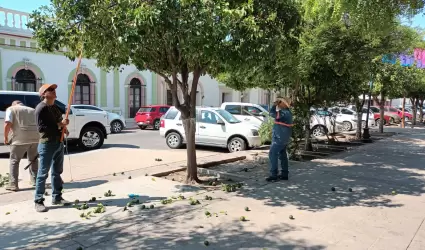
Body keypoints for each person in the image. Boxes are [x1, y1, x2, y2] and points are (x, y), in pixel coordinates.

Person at [34, 84, 70, 212]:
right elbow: (42, 128)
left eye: (54, 89)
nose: (54, 91)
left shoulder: (55, 107)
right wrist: (60, 125)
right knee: (43, 173)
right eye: (50, 90)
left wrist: (65, 129)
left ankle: (57, 197)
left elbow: (60, 122)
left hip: (58, 143)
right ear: (43, 94)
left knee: (57, 172)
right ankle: (38, 201)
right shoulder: (41, 108)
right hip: (47, 144)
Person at [3, 100, 39, 191]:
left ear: (14, 104)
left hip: (20, 138)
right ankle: (35, 181)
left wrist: (6, 137)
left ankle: (13, 184)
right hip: (36, 137)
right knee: (33, 160)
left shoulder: (11, 109)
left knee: (14, 160)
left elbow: (8, 123)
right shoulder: (32, 110)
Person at [266, 97, 293, 182]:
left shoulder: (284, 113)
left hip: (280, 138)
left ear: (285, 104)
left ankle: (274, 174)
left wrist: (274, 105)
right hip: (282, 137)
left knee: (272, 153)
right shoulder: (286, 112)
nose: (279, 103)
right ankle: (285, 174)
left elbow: (272, 114)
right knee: (282, 155)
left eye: (280, 102)